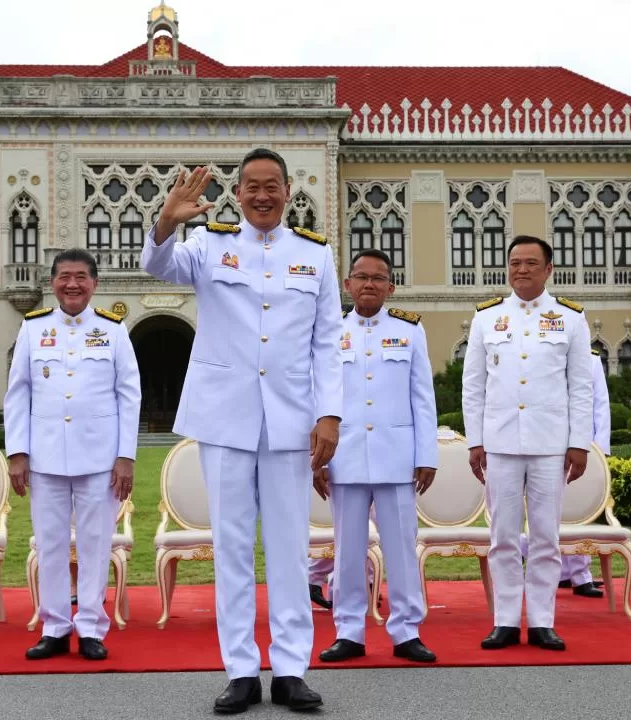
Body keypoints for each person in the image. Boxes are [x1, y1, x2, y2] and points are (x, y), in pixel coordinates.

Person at [141, 149, 342, 713]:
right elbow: (158, 267)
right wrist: (166, 221)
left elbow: (327, 343)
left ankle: (292, 668)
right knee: (230, 547)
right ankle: (240, 670)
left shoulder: (315, 255)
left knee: (289, 546)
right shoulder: (208, 244)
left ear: (286, 191)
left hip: (290, 418)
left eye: (271, 186)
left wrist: (329, 414)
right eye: (251, 186)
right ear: (238, 192)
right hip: (225, 416)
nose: (261, 195)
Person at [6, 249, 140, 662]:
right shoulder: (32, 329)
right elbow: (18, 393)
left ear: (95, 284)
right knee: (49, 544)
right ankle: (54, 627)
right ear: (53, 282)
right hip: (45, 457)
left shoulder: (114, 330)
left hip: (99, 459)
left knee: (96, 545)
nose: (72, 284)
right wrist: (17, 452)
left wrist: (125, 457)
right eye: (64, 276)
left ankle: (91, 628)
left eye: (81, 276)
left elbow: (128, 395)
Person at [462, 235, 593, 653]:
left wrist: (579, 442)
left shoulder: (571, 318)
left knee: (545, 537)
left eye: (531, 263)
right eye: (515, 262)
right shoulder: (487, 317)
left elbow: (581, 386)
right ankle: (504, 620)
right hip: (499, 442)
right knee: (501, 535)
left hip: (549, 443)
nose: (521, 269)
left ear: (549, 268)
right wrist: (476, 440)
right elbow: (473, 386)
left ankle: (541, 621)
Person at [315, 249, 437, 665]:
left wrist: (427, 455)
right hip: (344, 457)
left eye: (378, 278)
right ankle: (348, 630)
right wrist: (316, 459)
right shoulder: (329, 331)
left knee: (402, 549)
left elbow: (423, 397)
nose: (369, 284)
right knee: (347, 552)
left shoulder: (409, 330)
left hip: (396, 458)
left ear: (391, 286)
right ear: (346, 284)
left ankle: (406, 631)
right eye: (361, 277)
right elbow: (315, 399)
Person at [519, 349, 608, 598]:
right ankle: (556, 571)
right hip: (545, 443)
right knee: (542, 515)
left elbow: (599, 402)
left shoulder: (590, 358)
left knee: (577, 512)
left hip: (580, 446)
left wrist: (599, 448)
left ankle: (580, 575)